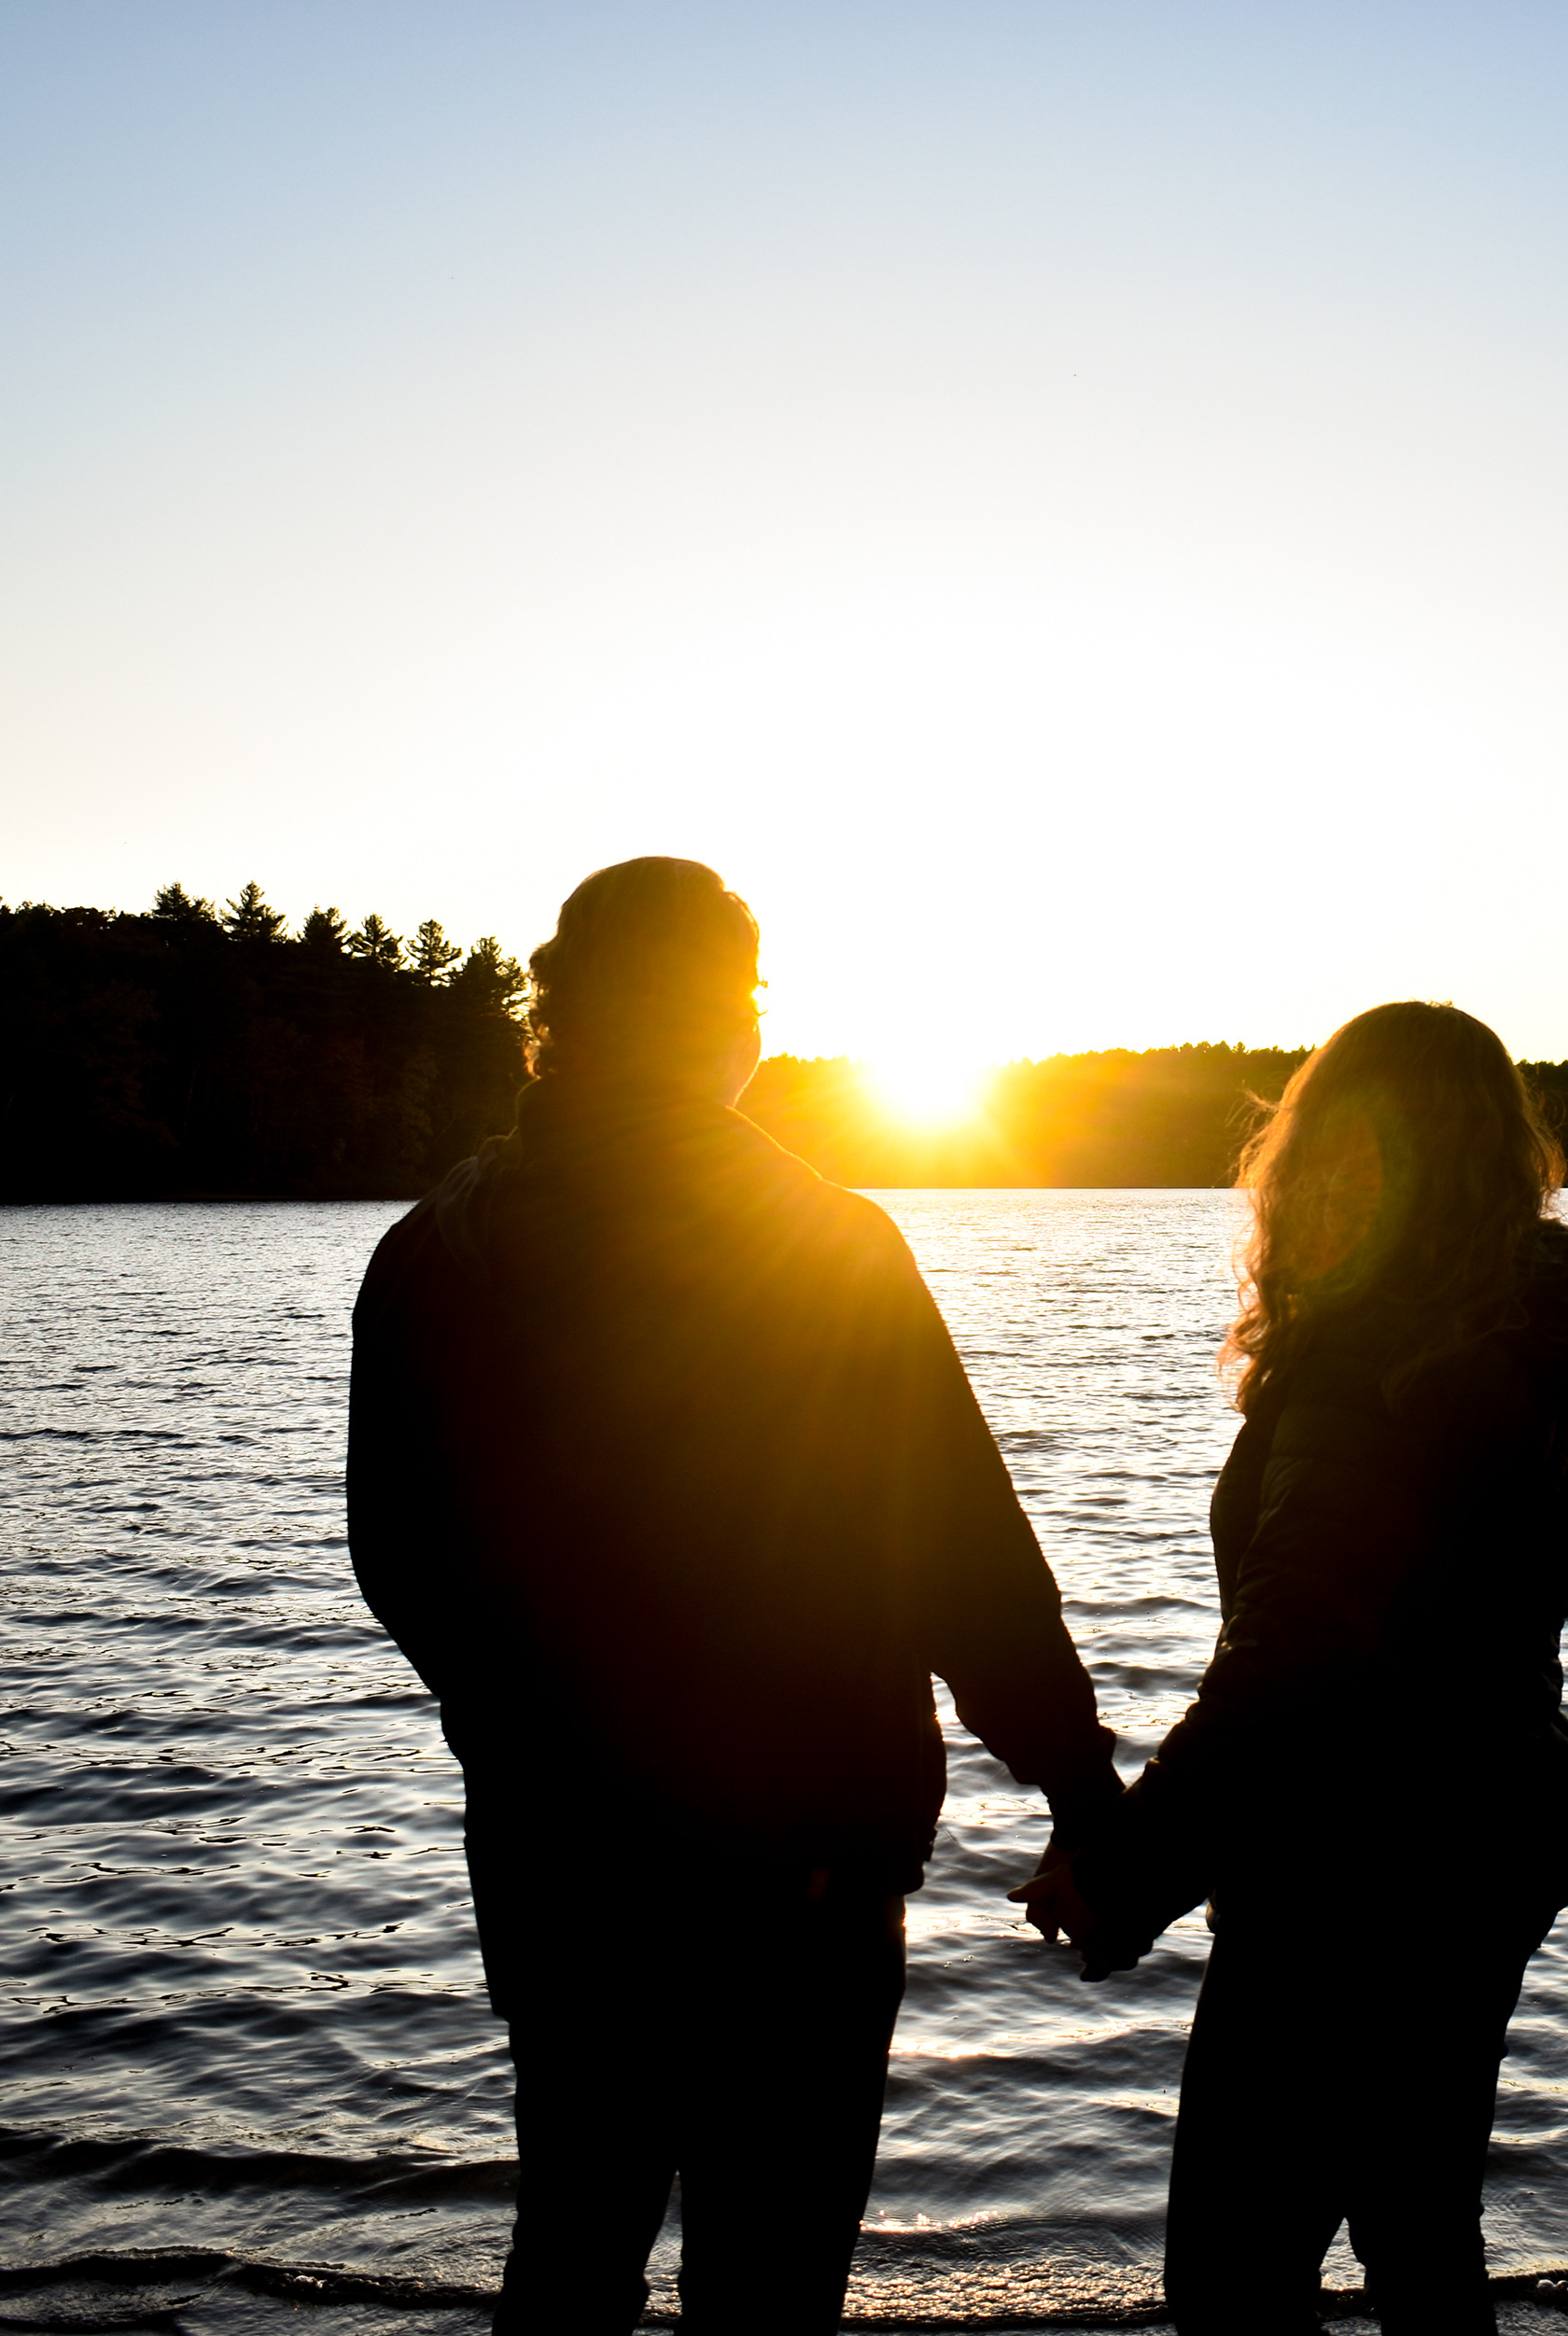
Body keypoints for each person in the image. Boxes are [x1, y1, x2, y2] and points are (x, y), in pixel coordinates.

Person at [347, 857, 1121, 2336]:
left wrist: (534, 1736)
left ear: (559, 1020)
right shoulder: (823, 1240)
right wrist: (1083, 1795)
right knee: (767, 2291)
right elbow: (960, 1553)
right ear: (732, 1024)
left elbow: (400, 1562)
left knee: (572, 2247)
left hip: (562, 1870)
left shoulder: (435, 1249)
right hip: (798, 1879)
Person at [1043, 1000, 1568, 2336]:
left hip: (1353, 1869)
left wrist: (1125, 1873)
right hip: (1497, 1829)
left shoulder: (1376, 1366)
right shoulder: (1532, 1336)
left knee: (1235, 2278)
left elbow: (1293, 1666)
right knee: (1419, 2226)